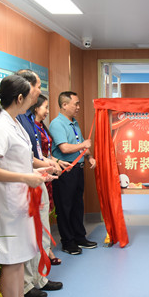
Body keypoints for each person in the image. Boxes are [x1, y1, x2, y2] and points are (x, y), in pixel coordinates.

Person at [0, 74, 56, 297]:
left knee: (21, 258)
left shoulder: (14, 123)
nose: (36, 97)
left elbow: (18, 162)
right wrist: (25, 177)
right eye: (32, 93)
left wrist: (38, 172)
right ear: (20, 97)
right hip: (7, 204)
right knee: (11, 261)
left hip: (22, 200)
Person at [15, 70, 64, 297]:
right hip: (25, 182)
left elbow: (34, 152)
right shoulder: (15, 118)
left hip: (38, 178)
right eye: (37, 86)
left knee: (43, 231)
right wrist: (46, 164)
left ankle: (40, 277)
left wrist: (47, 164)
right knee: (29, 235)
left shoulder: (28, 119)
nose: (39, 91)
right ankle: (27, 284)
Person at [50, 91, 97, 255]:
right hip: (65, 171)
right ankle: (67, 242)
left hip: (78, 169)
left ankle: (79, 237)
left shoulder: (74, 123)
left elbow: (82, 145)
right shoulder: (57, 124)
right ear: (64, 105)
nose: (78, 107)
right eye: (75, 104)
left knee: (77, 205)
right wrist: (83, 145)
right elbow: (65, 148)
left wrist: (89, 157)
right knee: (65, 207)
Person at [31, 94, 65, 265]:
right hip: (38, 173)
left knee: (47, 212)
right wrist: (51, 164)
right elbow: (35, 156)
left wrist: (57, 162)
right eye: (45, 107)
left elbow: (46, 153)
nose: (47, 111)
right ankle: (45, 252)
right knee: (39, 214)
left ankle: (47, 248)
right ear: (35, 107)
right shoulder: (31, 127)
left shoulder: (42, 126)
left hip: (47, 171)